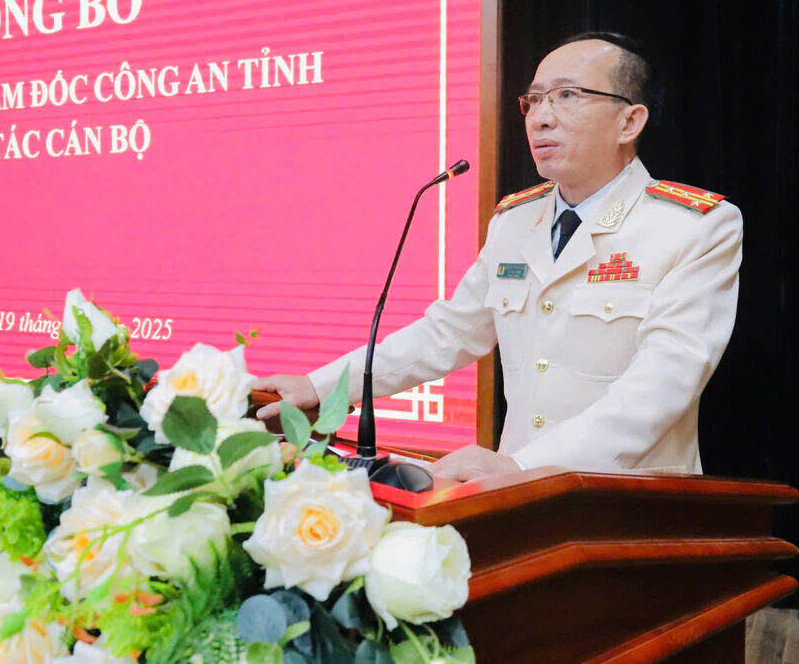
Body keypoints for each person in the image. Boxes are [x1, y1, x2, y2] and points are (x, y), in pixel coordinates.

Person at [255, 32, 742, 482]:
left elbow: (662, 386)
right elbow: (448, 333)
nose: (541, 116)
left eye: (568, 96)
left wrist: (522, 465)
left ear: (629, 121)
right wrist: (321, 388)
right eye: (533, 100)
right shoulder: (514, 222)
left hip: (627, 513)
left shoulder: (694, 226)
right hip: (516, 507)